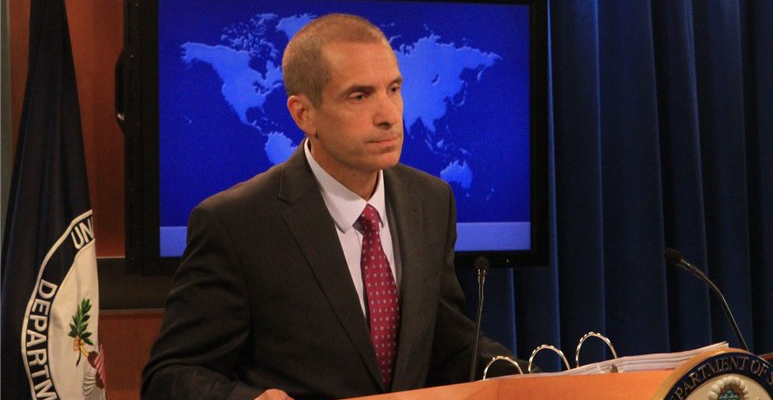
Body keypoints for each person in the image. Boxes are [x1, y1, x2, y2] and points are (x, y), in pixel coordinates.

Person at [141, 13, 524, 400]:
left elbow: (444, 341)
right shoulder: (235, 223)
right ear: (303, 114)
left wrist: (530, 381)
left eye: (393, 89)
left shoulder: (430, 200)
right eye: (360, 96)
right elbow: (170, 376)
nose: (389, 116)